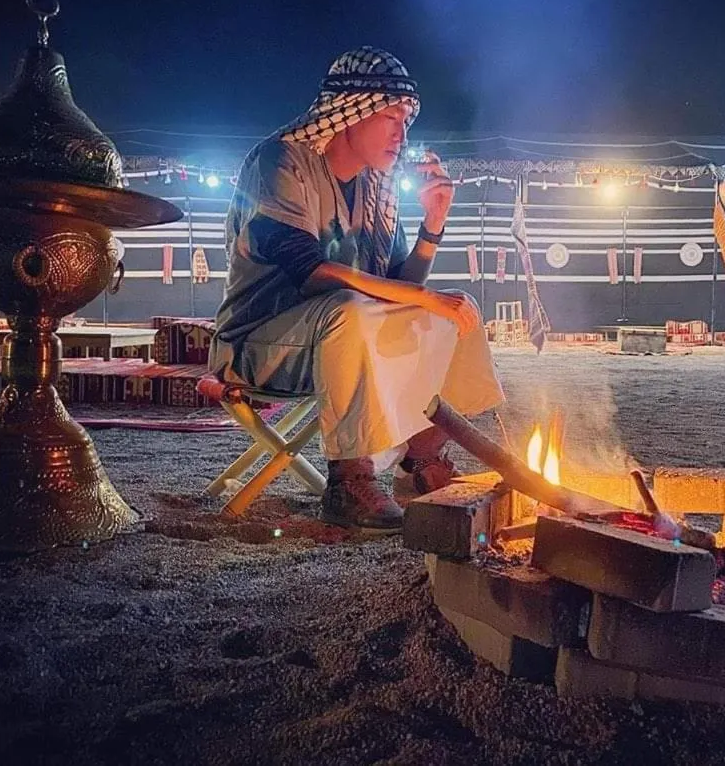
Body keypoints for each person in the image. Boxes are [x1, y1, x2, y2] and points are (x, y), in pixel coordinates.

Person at [209, 46, 505, 532]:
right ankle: (349, 480)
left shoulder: (376, 190)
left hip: (347, 338)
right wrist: (421, 298)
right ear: (352, 111)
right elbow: (310, 270)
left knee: (455, 311)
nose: (400, 132)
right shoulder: (282, 162)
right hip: (258, 344)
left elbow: (400, 289)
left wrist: (434, 225)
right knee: (352, 309)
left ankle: (425, 457)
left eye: (407, 120)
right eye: (390, 115)